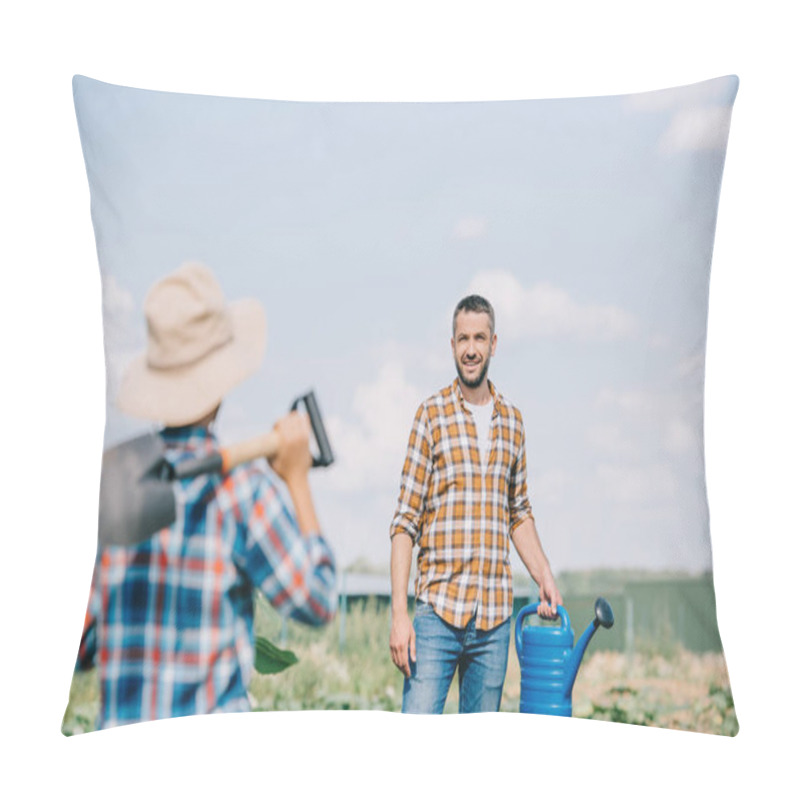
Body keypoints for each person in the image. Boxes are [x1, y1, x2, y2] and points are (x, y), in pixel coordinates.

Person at [74, 262, 337, 729]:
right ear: (221, 381)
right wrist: (296, 478)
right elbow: (317, 600)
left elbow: (78, 649)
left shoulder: (112, 492)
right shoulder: (243, 493)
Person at [389, 294, 562, 713]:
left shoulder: (513, 422)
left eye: (479, 338)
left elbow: (518, 512)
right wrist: (399, 614)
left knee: (480, 755)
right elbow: (405, 522)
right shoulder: (431, 415)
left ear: (493, 344)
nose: (470, 348)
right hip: (437, 616)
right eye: (463, 338)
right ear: (452, 345)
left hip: (494, 622)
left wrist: (544, 573)